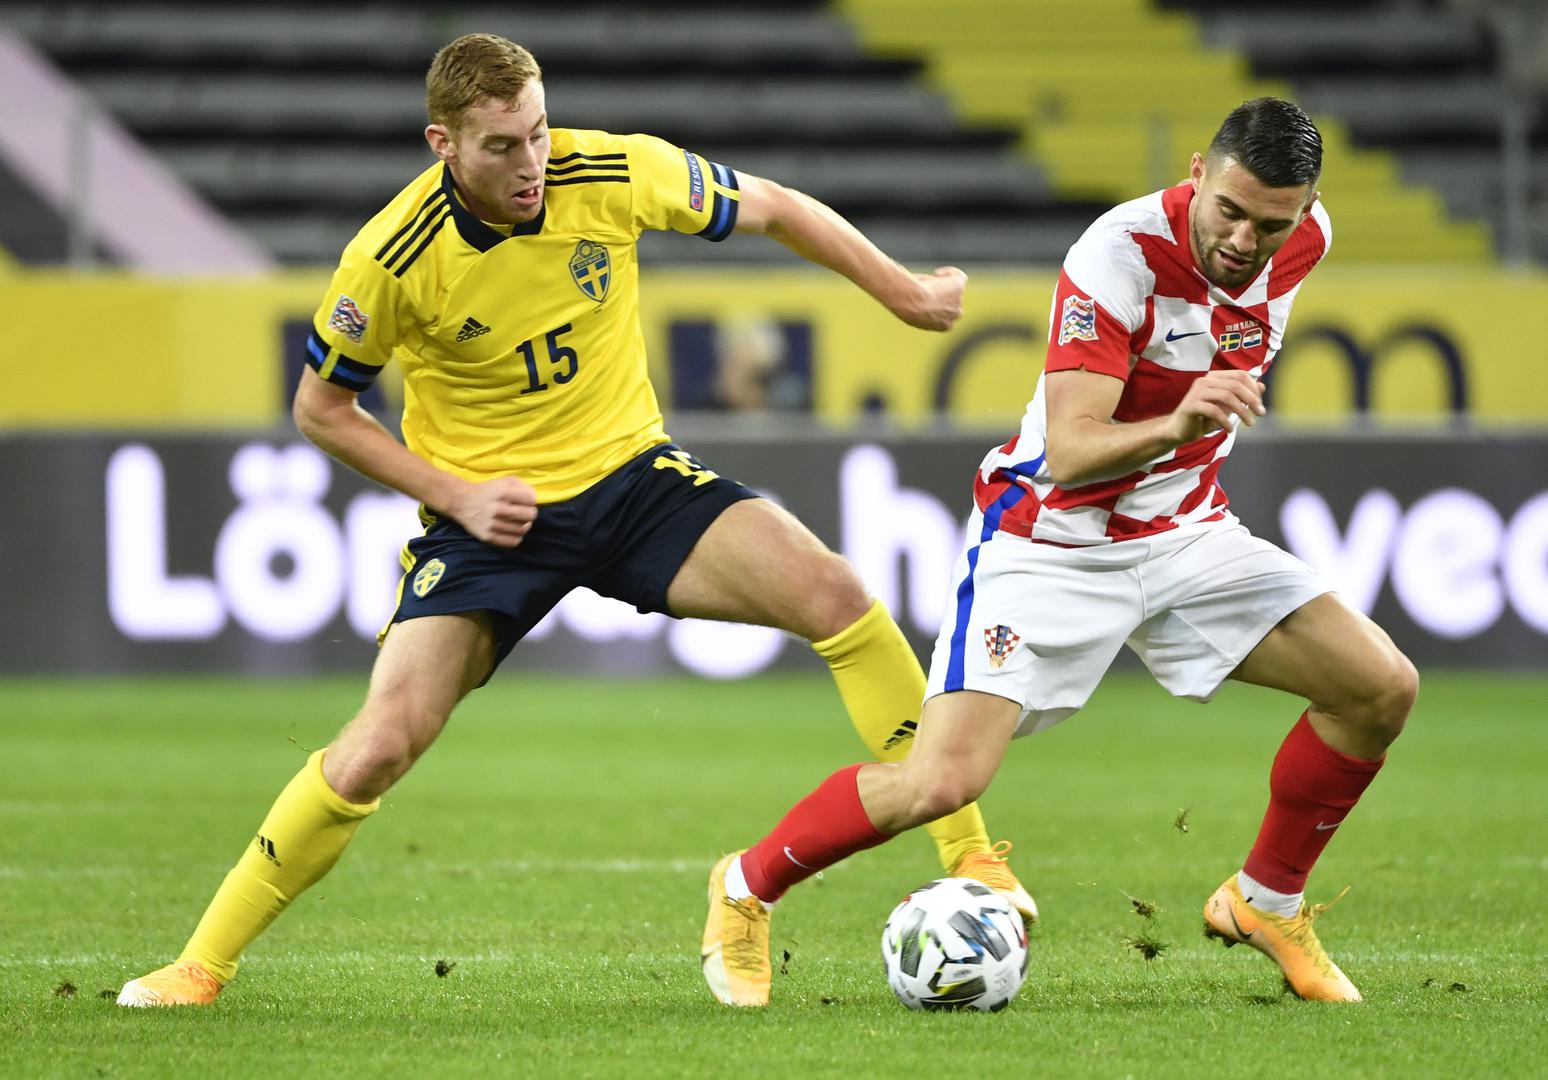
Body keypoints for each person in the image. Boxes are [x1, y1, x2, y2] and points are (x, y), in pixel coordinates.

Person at [115, 32, 1035, 1008]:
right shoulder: (391, 257)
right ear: (443, 144)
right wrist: (456, 494)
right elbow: (320, 408)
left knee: (838, 596)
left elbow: (772, 205)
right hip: (488, 524)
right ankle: (199, 965)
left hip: (632, 482)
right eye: (502, 145)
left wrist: (902, 290)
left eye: (539, 132)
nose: (532, 163)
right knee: (380, 743)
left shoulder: (612, 171)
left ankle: (969, 859)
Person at [701, 97, 1418, 1007]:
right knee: (941, 782)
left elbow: (1250, 286)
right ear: (1196, 174)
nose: (1245, 240)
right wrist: (1181, 419)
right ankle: (746, 886)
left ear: (1305, 210)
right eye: (1229, 211)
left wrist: (1188, 436)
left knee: (1379, 687)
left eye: (1269, 225)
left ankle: (1264, 901)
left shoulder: (1307, 237)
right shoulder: (1117, 256)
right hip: (1050, 539)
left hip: (1185, 532)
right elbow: (1073, 452)